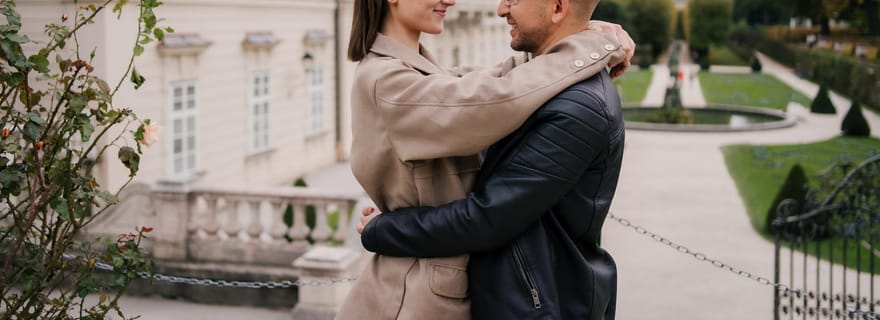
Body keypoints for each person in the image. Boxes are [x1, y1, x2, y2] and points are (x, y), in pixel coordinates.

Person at [337, 0, 634, 318]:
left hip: (429, 278)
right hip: (414, 294)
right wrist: (588, 46)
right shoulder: (390, 82)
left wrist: (584, 35)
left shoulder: (419, 72)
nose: (450, 0)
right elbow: (503, 95)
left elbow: (500, 78)